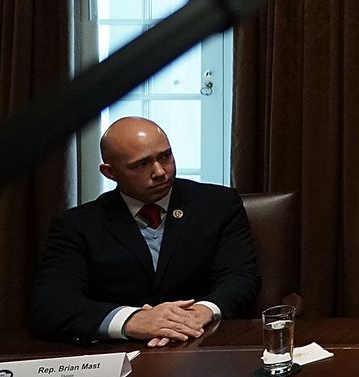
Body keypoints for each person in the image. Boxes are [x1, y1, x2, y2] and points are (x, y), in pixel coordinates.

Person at [30, 116, 259, 345]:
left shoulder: (218, 204)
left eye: (165, 156)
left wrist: (201, 312)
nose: (160, 172)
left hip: (204, 343)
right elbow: (52, 305)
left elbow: (240, 277)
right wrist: (132, 320)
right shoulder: (77, 225)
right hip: (119, 353)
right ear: (110, 173)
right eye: (141, 164)